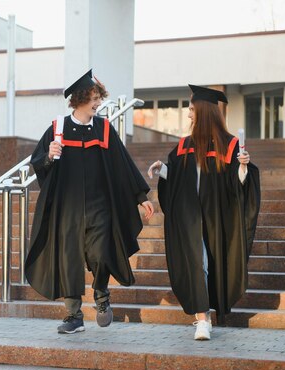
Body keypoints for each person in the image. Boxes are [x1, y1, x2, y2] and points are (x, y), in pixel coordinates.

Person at [25, 69, 154, 334]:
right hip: (68, 209)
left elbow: (122, 165)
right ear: (80, 99)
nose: (97, 102)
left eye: (98, 97)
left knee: (101, 253)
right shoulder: (58, 129)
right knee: (69, 258)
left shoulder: (104, 129)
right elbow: (38, 164)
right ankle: (74, 316)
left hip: (100, 206)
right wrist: (49, 155)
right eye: (93, 98)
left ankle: (101, 294)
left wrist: (140, 198)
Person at [148, 84, 260, 340]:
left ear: (204, 112)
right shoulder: (184, 144)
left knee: (211, 262)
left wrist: (243, 167)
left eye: (191, 109)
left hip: (216, 216)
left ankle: (207, 313)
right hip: (189, 215)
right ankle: (202, 318)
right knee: (199, 262)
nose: (188, 114)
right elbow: (177, 175)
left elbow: (240, 183)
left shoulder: (230, 145)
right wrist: (163, 170)